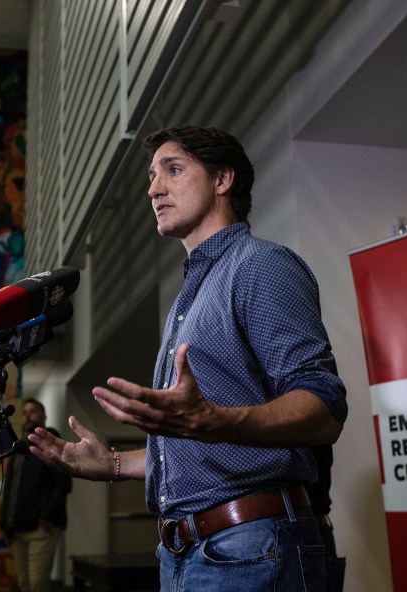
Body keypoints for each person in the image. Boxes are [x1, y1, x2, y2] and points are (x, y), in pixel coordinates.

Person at [29, 126, 347, 591]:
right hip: (186, 554)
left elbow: (325, 407)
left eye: (173, 170)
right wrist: (114, 465)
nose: (154, 188)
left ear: (222, 179)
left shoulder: (260, 265)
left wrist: (214, 420)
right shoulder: (189, 296)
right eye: (152, 176)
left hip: (253, 548)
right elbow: (196, 444)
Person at [0, 398, 72, 592]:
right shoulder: (20, 447)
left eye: (32, 411)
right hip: (17, 529)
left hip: (40, 529)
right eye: (24, 412)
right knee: (24, 585)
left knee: (37, 585)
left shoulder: (51, 441)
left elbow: (63, 482)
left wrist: (47, 516)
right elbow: (12, 488)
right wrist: (6, 524)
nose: (27, 416)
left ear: (44, 416)